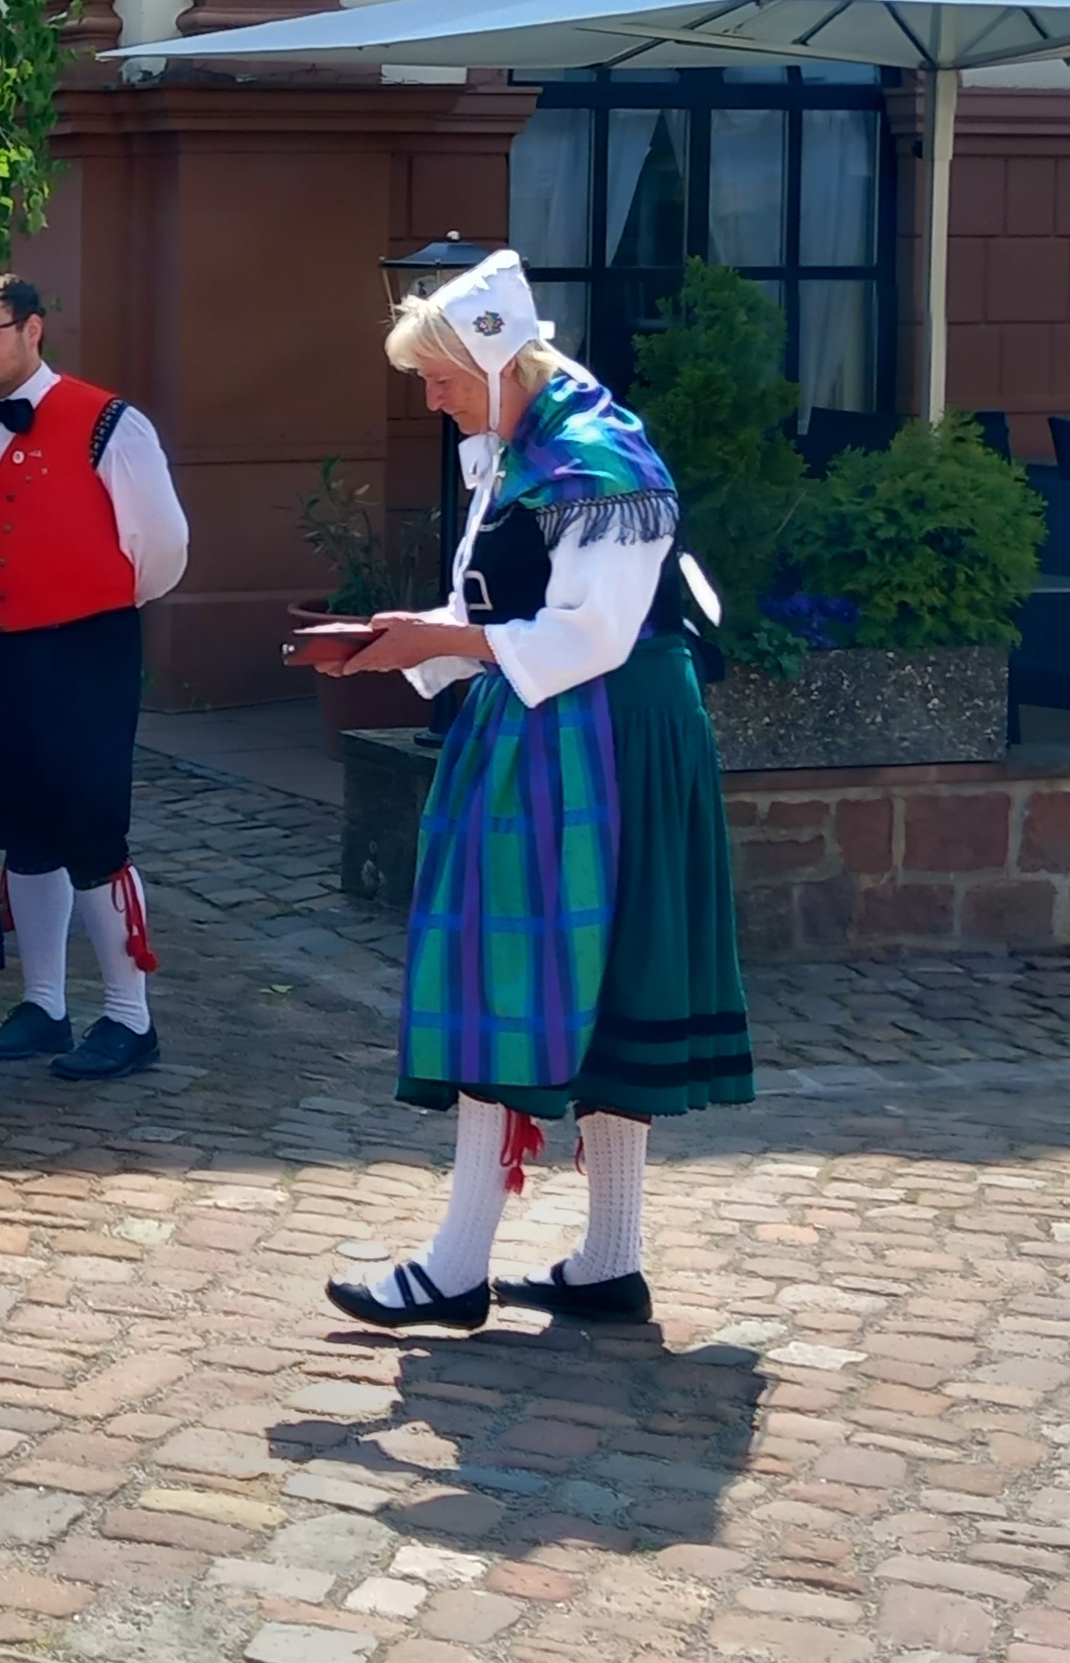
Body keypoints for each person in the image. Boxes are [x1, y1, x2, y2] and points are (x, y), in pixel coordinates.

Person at [307, 252, 749, 1330]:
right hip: (546, 726)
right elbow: (494, 605)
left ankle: (470, 1267)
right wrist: (385, 643)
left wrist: (438, 639)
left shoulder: (599, 461)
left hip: (602, 734)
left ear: (497, 357)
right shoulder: (519, 449)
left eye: (442, 375)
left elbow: (586, 635)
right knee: (527, 970)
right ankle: (603, 1262)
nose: (431, 396)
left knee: (516, 973)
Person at [0, 273, 190, 1083]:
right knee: (22, 827)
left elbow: (160, 545)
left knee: (93, 824)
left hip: (87, 644)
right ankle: (44, 1004)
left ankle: (130, 1018)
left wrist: (95, 601)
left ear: (33, 329)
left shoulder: (108, 422)